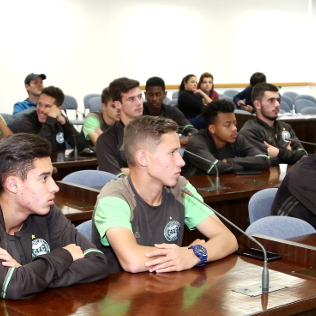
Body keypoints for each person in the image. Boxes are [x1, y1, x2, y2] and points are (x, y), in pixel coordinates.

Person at [0, 134, 108, 299]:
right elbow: (14, 286)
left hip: (36, 315)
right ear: (13, 184)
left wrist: (29, 274)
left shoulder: (46, 211)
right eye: (43, 178)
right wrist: (64, 255)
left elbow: (98, 262)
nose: (54, 187)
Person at [91, 115, 237, 274]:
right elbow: (132, 260)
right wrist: (183, 254)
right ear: (143, 158)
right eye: (172, 153)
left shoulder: (180, 188)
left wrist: (193, 254)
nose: (181, 162)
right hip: (123, 294)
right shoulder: (113, 199)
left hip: (169, 287)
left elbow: (228, 239)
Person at [183, 99, 270, 177]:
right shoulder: (196, 142)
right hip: (196, 191)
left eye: (234, 123)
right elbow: (215, 168)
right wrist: (245, 164)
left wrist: (230, 161)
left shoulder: (237, 138)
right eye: (227, 125)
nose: (234, 128)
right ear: (212, 128)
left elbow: (264, 160)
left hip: (227, 186)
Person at [236, 83, 308, 165]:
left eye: (278, 100)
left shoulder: (285, 127)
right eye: (271, 100)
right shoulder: (249, 131)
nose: (277, 104)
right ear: (257, 105)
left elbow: (303, 156)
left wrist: (279, 153)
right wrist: (288, 154)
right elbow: (263, 162)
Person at [9, 85, 88, 154]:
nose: (41, 109)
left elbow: (81, 145)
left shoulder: (59, 119)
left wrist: (65, 124)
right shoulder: (26, 122)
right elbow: (39, 149)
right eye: (39, 104)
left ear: (58, 109)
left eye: (47, 106)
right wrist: (50, 119)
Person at [95, 77, 143, 174]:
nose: (139, 103)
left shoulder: (154, 132)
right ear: (118, 105)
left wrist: (129, 171)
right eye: (131, 99)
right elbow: (115, 175)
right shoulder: (106, 140)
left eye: (140, 97)